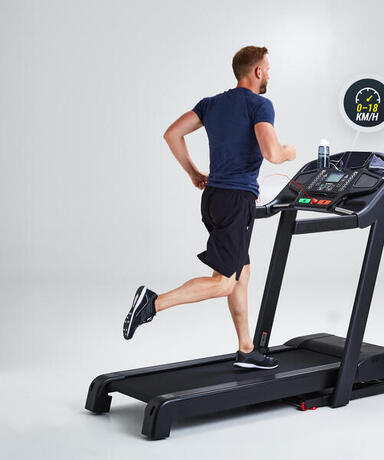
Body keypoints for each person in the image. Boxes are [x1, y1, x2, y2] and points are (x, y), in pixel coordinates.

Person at [123, 46, 296, 369]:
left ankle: (246, 349)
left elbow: (172, 134)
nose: (269, 74)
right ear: (257, 71)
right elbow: (272, 153)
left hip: (214, 197)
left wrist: (193, 173)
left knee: (241, 273)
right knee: (224, 282)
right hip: (236, 201)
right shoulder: (260, 104)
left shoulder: (211, 104)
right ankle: (152, 303)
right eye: (268, 69)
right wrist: (289, 151)